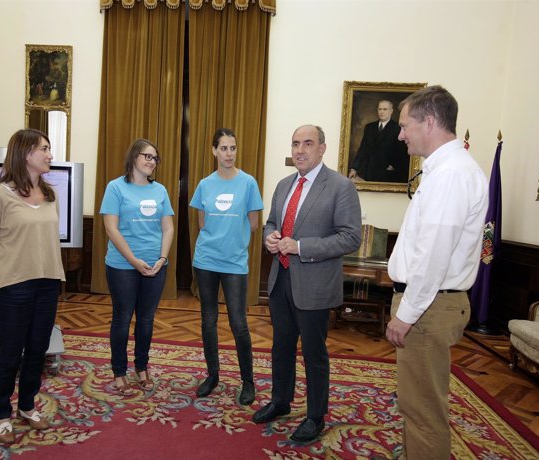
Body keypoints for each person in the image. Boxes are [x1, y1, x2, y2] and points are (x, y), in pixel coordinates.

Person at [385, 85, 488, 459]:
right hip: (430, 303)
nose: (400, 134)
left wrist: (406, 314)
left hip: (429, 307)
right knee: (418, 403)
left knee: (423, 409)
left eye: (404, 125)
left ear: (429, 121)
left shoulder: (451, 175)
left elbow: (434, 256)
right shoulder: (446, 170)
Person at [256, 124, 361, 442]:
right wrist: (270, 236)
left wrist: (301, 247)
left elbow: (350, 237)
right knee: (281, 347)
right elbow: (272, 221)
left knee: (314, 353)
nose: (300, 150)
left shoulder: (341, 186)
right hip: (280, 279)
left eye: (308, 143)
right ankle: (281, 401)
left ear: (322, 148)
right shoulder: (284, 184)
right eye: (295, 143)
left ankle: (315, 416)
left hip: (314, 284)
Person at [0, 128, 65, 444]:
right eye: (45, 148)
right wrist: (2, 276)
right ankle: (1, 413)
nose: (50, 155)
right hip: (13, 288)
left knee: (38, 351)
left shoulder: (51, 195)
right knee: (10, 353)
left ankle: (27, 405)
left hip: (48, 284)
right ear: (26, 153)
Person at [190, 128, 263, 406]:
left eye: (233, 148)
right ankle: (213, 375)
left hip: (234, 263)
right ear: (214, 151)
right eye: (223, 148)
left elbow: (254, 223)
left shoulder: (248, 183)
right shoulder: (204, 185)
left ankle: (248, 381)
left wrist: (232, 238)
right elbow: (201, 223)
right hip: (206, 261)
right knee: (208, 321)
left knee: (238, 323)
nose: (229, 153)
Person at [100, 139, 174, 396]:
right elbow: (111, 228)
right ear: (133, 157)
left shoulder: (160, 190)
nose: (151, 161)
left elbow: (168, 227)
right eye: (147, 156)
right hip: (122, 266)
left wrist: (162, 259)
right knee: (122, 319)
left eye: (155, 158)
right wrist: (133, 260)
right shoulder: (115, 188)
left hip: (155, 265)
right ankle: (119, 370)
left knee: (146, 320)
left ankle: (142, 367)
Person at [349, 100, 408, 183]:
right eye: (380, 109)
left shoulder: (397, 128)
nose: (381, 112)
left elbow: (402, 152)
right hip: (369, 172)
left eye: (385, 109)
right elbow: (363, 149)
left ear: (391, 111)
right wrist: (354, 168)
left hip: (387, 173)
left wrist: (394, 165)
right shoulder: (369, 127)